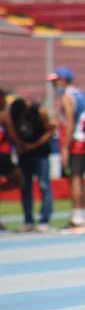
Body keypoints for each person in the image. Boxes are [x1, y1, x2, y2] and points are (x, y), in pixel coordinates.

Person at [48, 67, 85, 235]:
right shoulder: (80, 94)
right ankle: (79, 216)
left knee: (75, 180)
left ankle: (77, 219)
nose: (53, 85)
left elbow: (70, 123)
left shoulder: (67, 97)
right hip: (80, 141)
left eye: (55, 81)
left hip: (74, 143)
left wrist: (65, 148)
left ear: (63, 80)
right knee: (78, 179)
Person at [10, 97, 56, 233]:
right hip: (24, 155)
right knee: (25, 187)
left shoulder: (39, 111)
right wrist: (19, 145)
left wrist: (35, 145)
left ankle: (44, 221)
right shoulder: (13, 113)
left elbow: (51, 129)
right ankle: (28, 221)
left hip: (40, 154)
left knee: (44, 186)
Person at [0, 90, 23, 232]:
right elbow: (12, 133)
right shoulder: (3, 114)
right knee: (20, 180)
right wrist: (21, 146)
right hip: (2, 155)